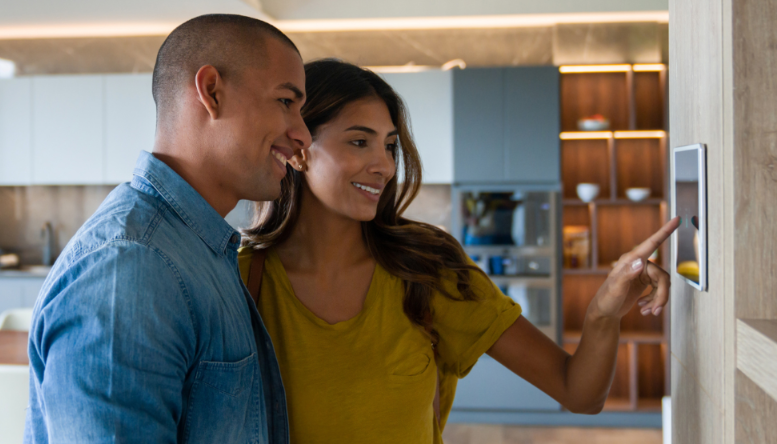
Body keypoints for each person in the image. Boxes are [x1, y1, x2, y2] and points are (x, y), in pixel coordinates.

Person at [237, 59, 678, 443]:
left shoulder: (426, 267)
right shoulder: (240, 278)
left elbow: (579, 393)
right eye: (359, 141)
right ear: (298, 149)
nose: (386, 165)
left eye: (390, 145)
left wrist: (602, 312)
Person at [25, 14, 311, 443]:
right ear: (211, 92)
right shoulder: (131, 267)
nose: (303, 134)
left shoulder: (192, 249)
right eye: (285, 102)